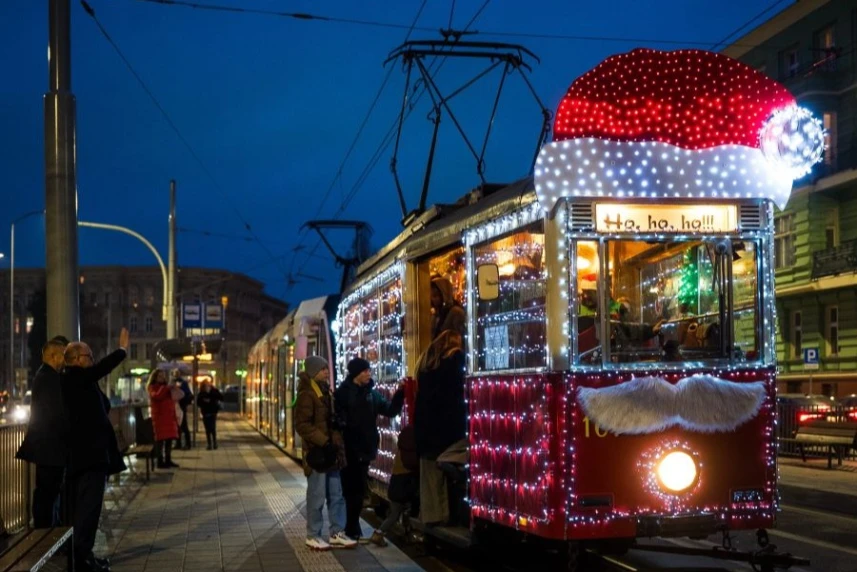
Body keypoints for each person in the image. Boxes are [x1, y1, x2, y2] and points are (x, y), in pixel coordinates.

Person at [63, 329, 130, 572]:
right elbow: (101, 369)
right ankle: (82, 559)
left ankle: (85, 554)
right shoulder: (74, 378)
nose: (92, 359)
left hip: (91, 456)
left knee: (89, 508)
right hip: (88, 456)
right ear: (75, 359)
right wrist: (121, 351)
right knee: (88, 509)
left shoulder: (82, 381)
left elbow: (104, 403)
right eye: (88, 356)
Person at [334, 357, 404, 541]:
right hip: (348, 449)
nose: (369, 374)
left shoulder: (371, 394)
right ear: (356, 373)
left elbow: (390, 410)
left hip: (365, 449)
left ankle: (352, 528)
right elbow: (337, 419)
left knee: (358, 490)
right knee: (349, 490)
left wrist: (400, 394)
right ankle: (350, 527)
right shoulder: (343, 393)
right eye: (365, 371)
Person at [294, 356, 356, 551]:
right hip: (318, 454)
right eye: (323, 369)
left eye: (327, 369)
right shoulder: (307, 394)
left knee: (337, 494)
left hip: (332, 452)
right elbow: (302, 425)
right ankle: (313, 535)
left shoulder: (325, 391)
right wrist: (324, 441)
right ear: (313, 372)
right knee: (317, 495)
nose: (327, 372)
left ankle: (337, 532)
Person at [16, 336, 70, 528]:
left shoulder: (46, 376)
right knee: (47, 493)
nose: (65, 360)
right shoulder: (49, 378)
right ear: (54, 356)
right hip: (50, 449)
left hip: (48, 448)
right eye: (63, 355)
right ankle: (44, 532)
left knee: (47, 493)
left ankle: (46, 530)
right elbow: (58, 412)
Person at [413, 330, 466, 525]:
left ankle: (432, 517)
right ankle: (447, 463)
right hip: (450, 429)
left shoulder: (425, 364)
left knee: (430, 478)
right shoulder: (455, 359)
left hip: (425, 430)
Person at [370, 424, 419, 547]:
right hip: (402, 489)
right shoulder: (413, 454)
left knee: (397, 513)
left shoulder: (401, 451)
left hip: (394, 486)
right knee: (396, 515)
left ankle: (406, 534)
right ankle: (379, 533)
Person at [147, 369, 180, 468]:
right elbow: (157, 396)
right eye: (159, 376)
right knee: (160, 441)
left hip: (169, 417)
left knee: (169, 439)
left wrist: (174, 388)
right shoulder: (152, 387)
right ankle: (160, 461)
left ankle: (168, 460)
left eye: (163, 376)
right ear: (155, 377)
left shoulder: (166, 387)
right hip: (160, 417)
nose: (162, 378)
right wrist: (166, 388)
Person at [197, 380, 223, 450]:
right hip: (205, 412)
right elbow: (198, 402)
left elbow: (221, 397)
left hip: (213, 412)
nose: (207, 386)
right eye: (205, 385)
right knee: (207, 428)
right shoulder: (201, 393)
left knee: (212, 428)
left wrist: (211, 396)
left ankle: (214, 443)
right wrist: (204, 400)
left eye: (208, 384)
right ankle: (209, 443)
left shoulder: (214, 391)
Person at [174, 371, 193, 450]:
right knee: (178, 426)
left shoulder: (183, 383)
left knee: (183, 425)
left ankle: (187, 444)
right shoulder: (174, 383)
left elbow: (188, 394)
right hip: (176, 406)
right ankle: (179, 443)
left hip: (181, 406)